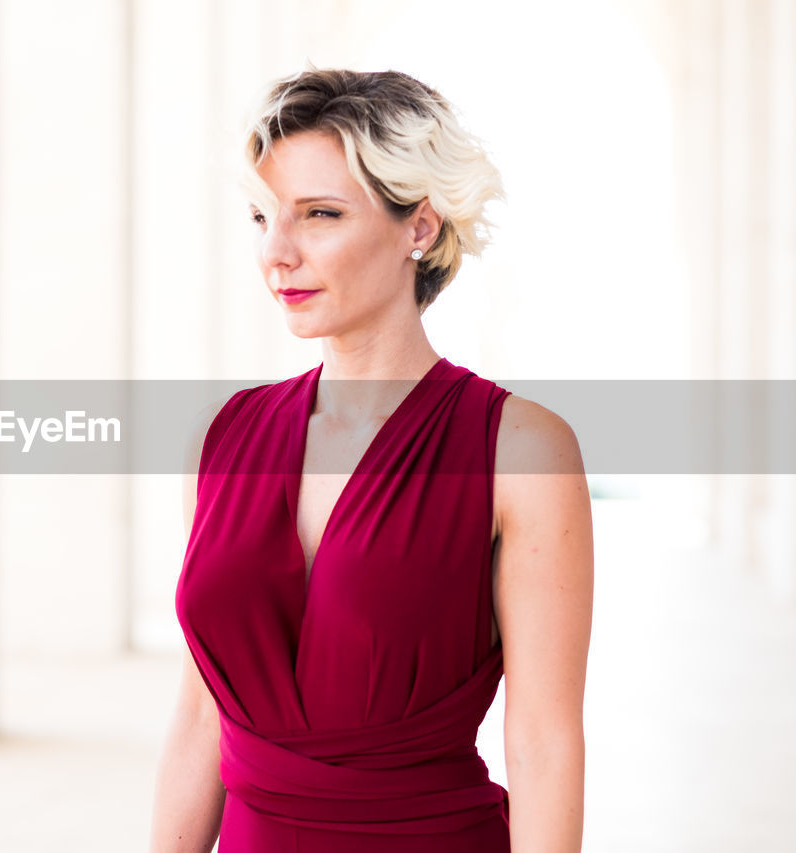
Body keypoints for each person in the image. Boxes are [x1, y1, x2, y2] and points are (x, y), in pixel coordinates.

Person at [149, 66, 593, 852]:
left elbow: (544, 742)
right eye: (261, 216)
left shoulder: (521, 449)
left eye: (319, 215)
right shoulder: (222, 439)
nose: (276, 253)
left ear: (418, 227)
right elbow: (200, 716)